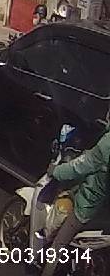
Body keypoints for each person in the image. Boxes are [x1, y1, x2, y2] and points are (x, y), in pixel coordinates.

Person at [39, 113, 110, 276]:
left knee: (57, 247)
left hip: (88, 206)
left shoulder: (107, 144)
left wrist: (55, 171)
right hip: (104, 210)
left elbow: (80, 167)